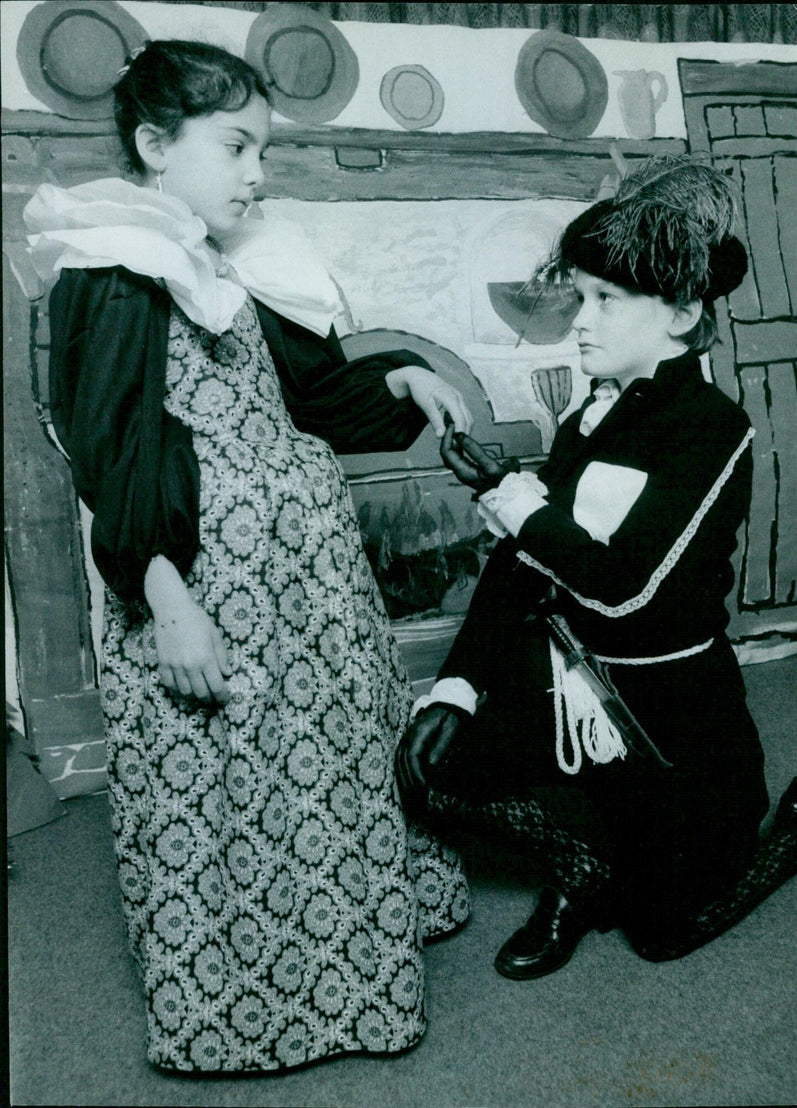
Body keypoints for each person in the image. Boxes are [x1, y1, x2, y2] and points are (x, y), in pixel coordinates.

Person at [24, 40, 473, 1072]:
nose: (254, 172)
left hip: (298, 571)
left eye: (261, 150)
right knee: (235, 783)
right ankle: (254, 1009)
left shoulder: (226, 256)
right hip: (207, 576)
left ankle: (355, 960)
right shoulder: (116, 263)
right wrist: (162, 593)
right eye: (234, 147)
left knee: (324, 760)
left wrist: (398, 379)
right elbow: (115, 445)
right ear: (152, 144)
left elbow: (307, 390)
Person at [396, 155, 797, 978]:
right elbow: (522, 567)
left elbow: (629, 591)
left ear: (684, 313)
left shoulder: (712, 428)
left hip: (672, 716)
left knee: (663, 932)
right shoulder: (590, 412)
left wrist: (520, 502)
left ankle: (788, 833)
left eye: (607, 300)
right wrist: (459, 686)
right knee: (427, 764)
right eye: (581, 296)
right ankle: (584, 865)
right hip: (571, 683)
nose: (581, 321)